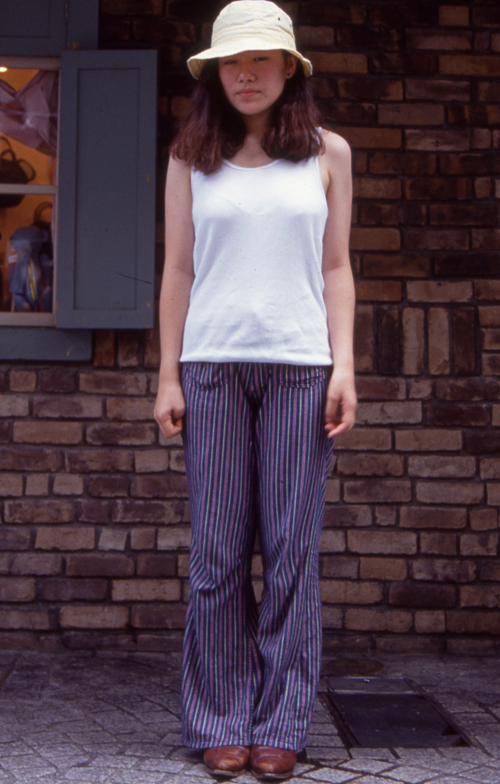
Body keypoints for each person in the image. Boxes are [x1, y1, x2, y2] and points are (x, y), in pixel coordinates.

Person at [154, 1, 357, 779]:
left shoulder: (328, 154)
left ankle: (281, 723)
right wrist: (167, 374)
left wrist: (345, 367)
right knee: (216, 553)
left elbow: (336, 267)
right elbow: (179, 269)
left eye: (260, 60)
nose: (246, 74)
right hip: (211, 368)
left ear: (288, 69)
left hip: (301, 369)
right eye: (231, 63)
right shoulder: (190, 157)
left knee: (291, 552)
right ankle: (218, 720)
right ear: (213, 74)